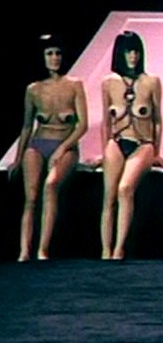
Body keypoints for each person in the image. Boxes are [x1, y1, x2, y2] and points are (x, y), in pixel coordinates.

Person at [7, 33, 88, 261]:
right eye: (50, 54)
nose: (55, 58)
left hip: (65, 145)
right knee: (31, 197)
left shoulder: (74, 85)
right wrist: (17, 158)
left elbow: (82, 125)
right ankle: (24, 251)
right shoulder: (33, 89)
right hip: (38, 143)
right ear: (42, 57)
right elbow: (26, 127)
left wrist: (63, 149)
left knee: (51, 185)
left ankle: (42, 250)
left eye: (58, 53)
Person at [97, 30, 163, 260]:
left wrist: (156, 152)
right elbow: (106, 121)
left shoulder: (151, 82)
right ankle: (105, 250)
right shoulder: (109, 83)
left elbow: (157, 120)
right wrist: (104, 151)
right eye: (129, 52)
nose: (133, 56)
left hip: (143, 144)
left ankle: (119, 249)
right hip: (117, 141)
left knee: (125, 189)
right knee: (109, 196)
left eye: (137, 52)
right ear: (120, 54)